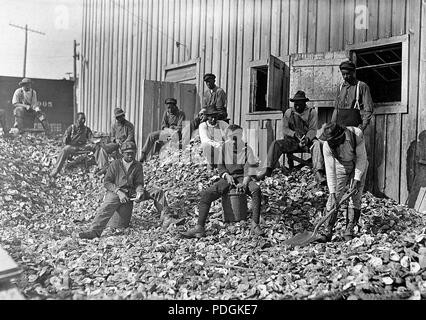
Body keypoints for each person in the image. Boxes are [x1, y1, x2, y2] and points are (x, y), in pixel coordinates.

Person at [181, 124, 263, 238]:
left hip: (242, 177)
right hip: (227, 178)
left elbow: (249, 169)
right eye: (230, 138)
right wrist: (226, 175)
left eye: (236, 138)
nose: (233, 141)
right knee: (206, 194)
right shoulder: (224, 148)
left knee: (256, 190)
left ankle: (255, 223)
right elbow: (221, 167)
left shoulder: (247, 149)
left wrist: (244, 183)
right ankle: (199, 227)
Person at [79, 141, 170, 239]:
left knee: (157, 192)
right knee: (107, 207)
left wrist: (140, 192)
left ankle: (167, 218)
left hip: (131, 192)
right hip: (116, 192)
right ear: (122, 153)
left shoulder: (138, 165)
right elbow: (107, 182)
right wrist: (119, 192)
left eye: (133, 153)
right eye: (128, 153)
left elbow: (139, 183)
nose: (131, 156)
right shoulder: (115, 164)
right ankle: (94, 231)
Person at [317, 122, 368, 242]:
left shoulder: (356, 134)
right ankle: (327, 231)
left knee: (355, 197)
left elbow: (362, 159)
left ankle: (349, 229)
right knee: (332, 201)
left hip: (358, 163)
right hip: (340, 165)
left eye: (333, 140)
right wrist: (333, 193)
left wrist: (356, 179)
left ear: (341, 136)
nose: (331, 143)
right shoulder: (327, 146)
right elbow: (330, 170)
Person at [257, 91, 323, 182]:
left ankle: (318, 172)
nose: (297, 106)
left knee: (317, 144)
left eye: (300, 103)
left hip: (307, 141)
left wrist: (307, 139)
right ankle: (268, 170)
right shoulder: (289, 112)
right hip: (292, 141)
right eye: (295, 103)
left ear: (304, 103)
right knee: (276, 144)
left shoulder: (312, 112)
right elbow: (285, 129)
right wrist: (294, 134)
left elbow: (313, 129)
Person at [331, 61, 374, 132]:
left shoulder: (361, 86)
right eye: (343, 74)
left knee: (353, 142)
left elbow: (368, 109)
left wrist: (363, 126)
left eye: (347, 74)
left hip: (355, 125)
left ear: (353, 72)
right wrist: (332, 125)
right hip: (340, 125)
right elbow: (336, 109)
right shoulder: (340, 87)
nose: (345, 76)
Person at [49, 112, 94, 177]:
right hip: (73, 147)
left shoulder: (87, 129)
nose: (83, 120)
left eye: (84, 119)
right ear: (77, 119)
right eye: (81, 119)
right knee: (65, 149)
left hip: (82, 147)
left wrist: (93, 141)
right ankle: (56, 170)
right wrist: (66, 139)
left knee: (94, 146)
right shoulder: (71, 128)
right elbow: (64, 140)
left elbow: (91, 138)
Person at [140, 98, 185, 162]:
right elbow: (163, 126)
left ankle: (156, 157)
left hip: (176, 134)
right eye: (168, 108)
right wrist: (168, 129)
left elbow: (180, 128)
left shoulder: (180, 113)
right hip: (167, 132)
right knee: (151, 135)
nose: (170, 109)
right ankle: (144, 155)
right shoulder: (166, 113)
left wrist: (173, 129)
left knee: (161, 142)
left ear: (175, 106)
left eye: (171, 107)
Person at [94, 108, 135, 175]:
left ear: (123, 116)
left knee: (127, 148)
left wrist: (124, 142)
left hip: (127, 143)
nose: (119, 119)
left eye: (120, 116)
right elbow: (112, 136)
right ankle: (103, 167)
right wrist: (116, 140)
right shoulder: (114, 126)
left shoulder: (129, 125)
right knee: (103, 149)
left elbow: (130, 136)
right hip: (117, 143)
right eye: (117, 117)